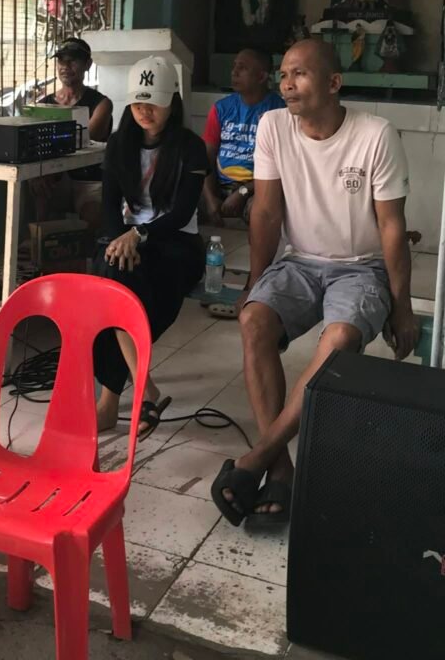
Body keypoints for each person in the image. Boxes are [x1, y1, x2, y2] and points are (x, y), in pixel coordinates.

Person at [210, 39, 418, 531]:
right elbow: (265, 212)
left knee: (340, 338)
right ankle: (280, 467)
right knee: (254, 320)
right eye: (283, 74)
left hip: (361, 266)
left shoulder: (375, 135)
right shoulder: (273, 126)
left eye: (299, 74)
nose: (286, 84)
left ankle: (257, 458)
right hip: (300, 261)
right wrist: (256, 281)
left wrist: (402, 306)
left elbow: (392, 227)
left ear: (333, 83)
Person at [94, 55, 207, 439]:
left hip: (176, 242)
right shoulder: (119, 143)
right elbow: (109, 206)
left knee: (122, 285)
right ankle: (144, 391)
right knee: (112, 273)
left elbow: (181, 213)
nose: (144, 111)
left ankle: (111, 403)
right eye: (138, 102)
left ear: (172, 102)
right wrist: (118, 240)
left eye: (154, 103)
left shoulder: (191, 148)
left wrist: (138, 236)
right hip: (128, 239)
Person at [32, 37, 113, 231]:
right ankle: (37, 244)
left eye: (73, 60)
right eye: (61, 60)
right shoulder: (43, 104)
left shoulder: (101, 103)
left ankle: (89, 250)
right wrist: (38, 173)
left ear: (88, 64)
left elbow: (85, 139)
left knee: (93, 215)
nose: (65, 66)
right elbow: (33, 144)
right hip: (55, 178)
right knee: (37, 186)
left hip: (89, 179)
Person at [202, 49, 284, 224]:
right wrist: (210, 198)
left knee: (260, 209)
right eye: (234, 66)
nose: (234, 72)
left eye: (243, 68)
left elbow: (283, 167)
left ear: (261, 77)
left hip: (259, 188)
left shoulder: (279, 111)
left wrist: (243, 192)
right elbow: (206, 158)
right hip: (220, 185)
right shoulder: (221, 108)